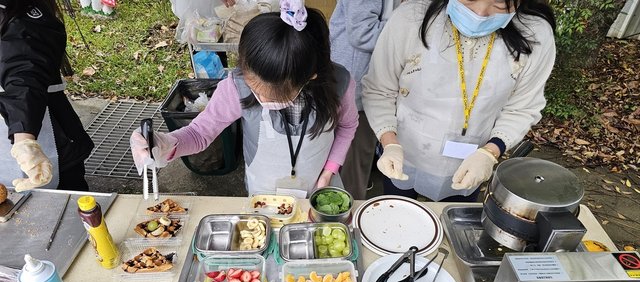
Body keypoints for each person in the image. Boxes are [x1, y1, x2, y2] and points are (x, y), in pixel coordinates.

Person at [131, 0, 358, 197]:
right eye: (254, 88)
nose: (259, 98)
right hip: (264, 194)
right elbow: (200, 133)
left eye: (272, 95)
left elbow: (348, 126)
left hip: (320, 188)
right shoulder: (236, 87)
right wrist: (165, 144)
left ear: (310, 77)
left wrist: (330, 169)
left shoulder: (339, 84)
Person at [362, 0, 555, 201]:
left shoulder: (535, 34)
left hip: (471, 160)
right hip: (404, 151)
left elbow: (522, 108)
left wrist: (490, 153)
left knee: (454, 221)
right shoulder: (411, 17)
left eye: (499, 4)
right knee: (396, 214)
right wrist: (389, 143)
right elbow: (379, 89)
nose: (480, 14)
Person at [0, 0, 95, 192]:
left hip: (41, 131)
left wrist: (25, 142)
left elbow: (25, 75)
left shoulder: (23, 17)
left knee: (63, 207)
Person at [329, 0, 401, 200]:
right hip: (356, 86)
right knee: (352, 162)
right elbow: (363, 33)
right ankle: (346, 212)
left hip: (366, 83)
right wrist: (411, 26)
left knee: (357, 158)